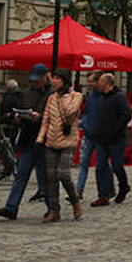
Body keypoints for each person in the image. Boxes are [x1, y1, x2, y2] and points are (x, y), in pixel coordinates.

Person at [0, 62, 51, 220]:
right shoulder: (25, 93)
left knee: (44, 177)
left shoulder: (52, 94)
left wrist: (39, 117)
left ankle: (52, 208)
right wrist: (18, 118)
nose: (35, 83)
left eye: (38, 80)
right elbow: (18, 112)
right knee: (21, 174)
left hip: (45, 140)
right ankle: (11, 207)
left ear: (46, 78)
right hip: (28, 139)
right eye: (33, 80)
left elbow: (53, 117)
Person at [37, 70, 82, 222]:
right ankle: (54, 210)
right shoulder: (51, 98)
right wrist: (40, 138)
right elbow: (46, 120)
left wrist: (65, 96)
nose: (54, 81)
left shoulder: (76, 96)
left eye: (57, 79)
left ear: (65, 80)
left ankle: (75, 200)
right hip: (51, 141)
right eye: (53, 78)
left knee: (64, 174)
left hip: (68, 141)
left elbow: (70, 112)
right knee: (50, 178)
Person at [90, 73, 131, 206]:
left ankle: (123, 186)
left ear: (106, 83)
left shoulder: (119, 97)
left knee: (117, 165)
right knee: (100, 166)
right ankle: (103, 195)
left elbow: (126, 115)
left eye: (100, 82)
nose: (98, 85)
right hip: (102, 138)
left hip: (116, 138)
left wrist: (116, 129)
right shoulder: (101, 97)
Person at [75, 71, 102, 199]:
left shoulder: (104, 96)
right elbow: (86, 112)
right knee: (83, 163)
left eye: (91, 81)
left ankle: (105, 192)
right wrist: (83, 124)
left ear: (98, 82)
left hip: (101, 136)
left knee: (102, 165)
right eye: (88, 81)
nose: (88, 84)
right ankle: (78, 191)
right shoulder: (90, 96)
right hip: (88, 134)